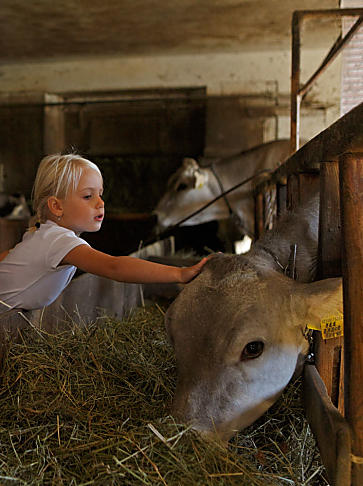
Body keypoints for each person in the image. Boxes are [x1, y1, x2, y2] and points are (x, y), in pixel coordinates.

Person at [0, 154, 210, 311]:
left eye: (100, 194)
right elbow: (114, 266)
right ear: (57, 206)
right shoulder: (58, 240)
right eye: (88, 196)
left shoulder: (45, 234)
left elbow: (11, 257)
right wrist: (179, 274)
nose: (100, 203)